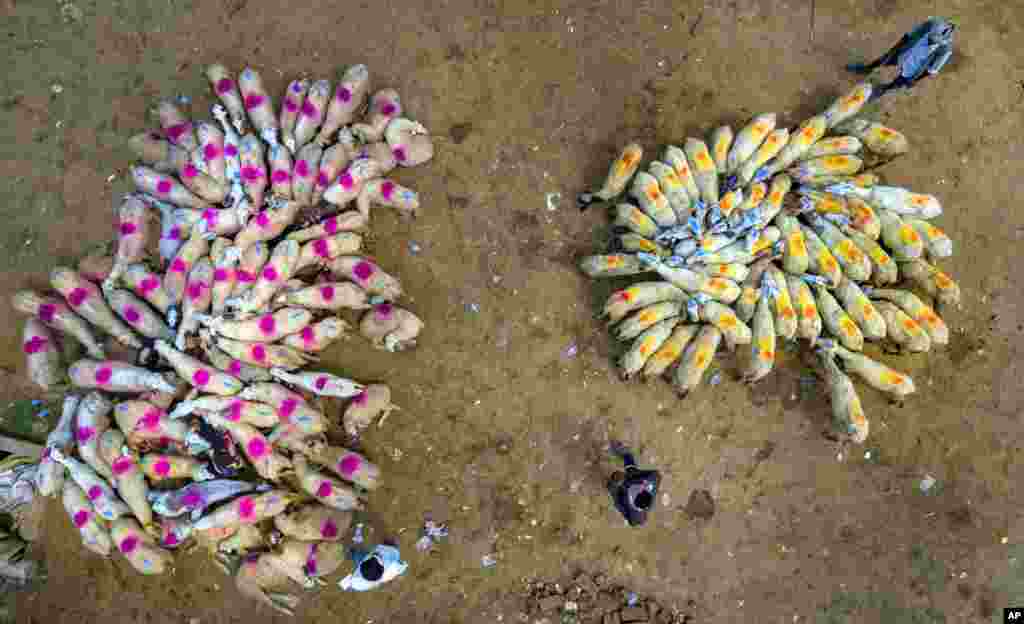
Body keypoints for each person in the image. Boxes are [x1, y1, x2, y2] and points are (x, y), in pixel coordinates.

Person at [847, 17, 956, 101]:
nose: (930, 41)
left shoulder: (946, 50)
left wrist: (914, 80)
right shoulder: (931, 24)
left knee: (899, 82)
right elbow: (908, 36)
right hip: (906, 52)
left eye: (933, 42)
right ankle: (867, 68)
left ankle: (882, 90)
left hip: (915, 67)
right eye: (930, 38)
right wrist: (893, 49)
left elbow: (932, 70)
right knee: (884, 59)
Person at [606, 441, 661, 527]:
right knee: (629, 458)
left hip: (622, 492)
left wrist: (614, 488)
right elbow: (656, 475)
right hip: (635, 478)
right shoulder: (651, 482)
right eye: (639, 490)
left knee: (611, 487)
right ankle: (623, 453)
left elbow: (618, 503)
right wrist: (632, 473)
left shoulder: (633, 514)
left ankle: (613, 482)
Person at [339, 542, 408, 591]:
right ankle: (352, 553)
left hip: (364, 560)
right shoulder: (392, 565)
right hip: (389, 555)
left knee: (358, 556)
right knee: (360, 556)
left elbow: (347, 585)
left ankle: (352, 552)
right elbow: (402, 566)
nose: (376, 555)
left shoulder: (358, 582)